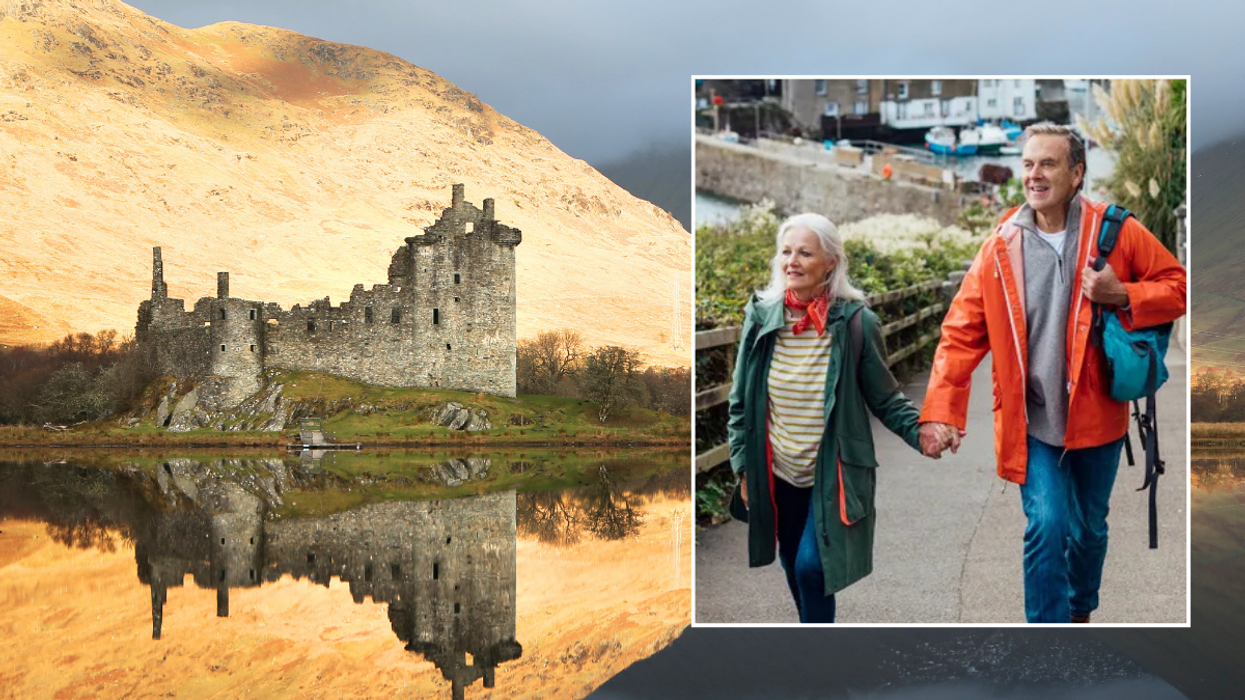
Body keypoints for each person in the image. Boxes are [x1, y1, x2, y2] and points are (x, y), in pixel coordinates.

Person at [918, 123, 1187, 623]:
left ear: (1077, 172)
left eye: (1047, 164)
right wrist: (940, 413)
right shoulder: (1001, 246)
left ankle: (1079, 614)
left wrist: (1123, 293)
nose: (1034, 175)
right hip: (1032, 419)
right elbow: (960, 332)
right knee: (1046, 524)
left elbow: (1178, 286)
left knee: (1089, 529)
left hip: (1098, 415)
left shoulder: (1116, 230)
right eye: (1027, 164)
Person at [726, 212, 945, 623]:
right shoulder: (760, 318)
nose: (792, 261)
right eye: (786, 252)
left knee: (812, 568)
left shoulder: (857, 324)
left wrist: (922, 434)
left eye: (805, 253)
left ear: (830, 262)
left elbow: (885, 397)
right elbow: (739, 402)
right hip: (777, 471)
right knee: (793, 565)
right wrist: (743, 468)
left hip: (833, 473)